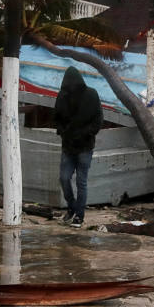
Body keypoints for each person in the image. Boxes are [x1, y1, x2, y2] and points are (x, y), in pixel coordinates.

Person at [53, 66, 103, 228]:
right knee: (64, 178)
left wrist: (86, 134)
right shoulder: (63, 96)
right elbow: (56, 118)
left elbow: (98, 120)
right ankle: (72, 207)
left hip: (85, 147)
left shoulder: (91, 95)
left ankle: (79, 216)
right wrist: (63, 132)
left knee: (81, 182)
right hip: (68, 146)